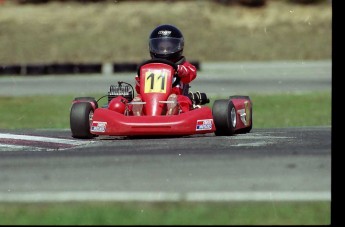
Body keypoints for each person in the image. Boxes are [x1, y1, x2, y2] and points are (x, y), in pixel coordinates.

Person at [132, 24, 197, 116]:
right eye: (161, 48)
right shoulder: (149, 67)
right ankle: (138, 114)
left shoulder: (182, 65)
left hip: (176, 98)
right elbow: (139, 90)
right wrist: (140, 79)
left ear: (178, 47)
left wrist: (180, 70)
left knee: (181, 100)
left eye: (169, 48)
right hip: (151, 101)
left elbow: (192, 73)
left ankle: (172, 111)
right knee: (138, 99)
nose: (165, 51)